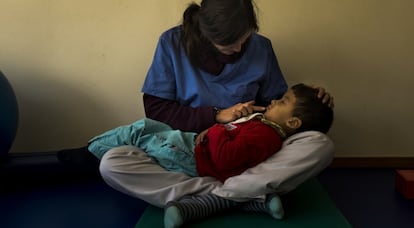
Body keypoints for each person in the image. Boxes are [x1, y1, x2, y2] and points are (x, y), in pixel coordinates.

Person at [58, 0, 334, 208]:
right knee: (112, 164)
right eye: (229, 43)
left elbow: (278, 108)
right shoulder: (171, 43)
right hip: (189, 151)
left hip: (250, 153)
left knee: (319, 144)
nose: (239, 49)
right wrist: (216, 116)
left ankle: (210, 199)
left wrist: (313, 102)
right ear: (206, 34)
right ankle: (237, 196)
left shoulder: (261, 47)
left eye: (245, 38)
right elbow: (157, 111)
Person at [85, 83, 333, 228]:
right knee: (113, 161)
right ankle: (244, 200)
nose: (274, 100)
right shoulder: (260, 123)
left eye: (281, 101)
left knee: (140, 130)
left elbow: (227, 153)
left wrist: (216, 129)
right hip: (194, 146)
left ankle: (88, 151)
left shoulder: (266, 131)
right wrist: (217, 120)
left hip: (193, 154)